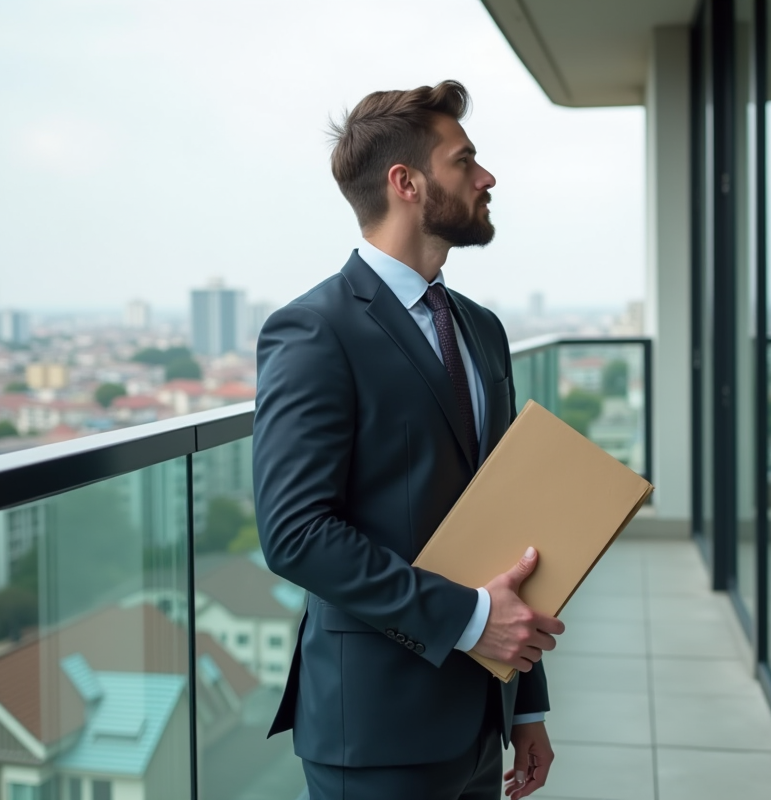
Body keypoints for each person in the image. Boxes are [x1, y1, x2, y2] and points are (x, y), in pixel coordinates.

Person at [252, 80, 565, 800]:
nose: (487, 178)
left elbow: (505, 525)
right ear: (407, 182)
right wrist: (469, 620)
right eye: (465, 161)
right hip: (374, 729)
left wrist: (529, 699)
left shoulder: (481, 329)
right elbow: (296, 533)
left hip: (481, 715)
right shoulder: (315, 330)